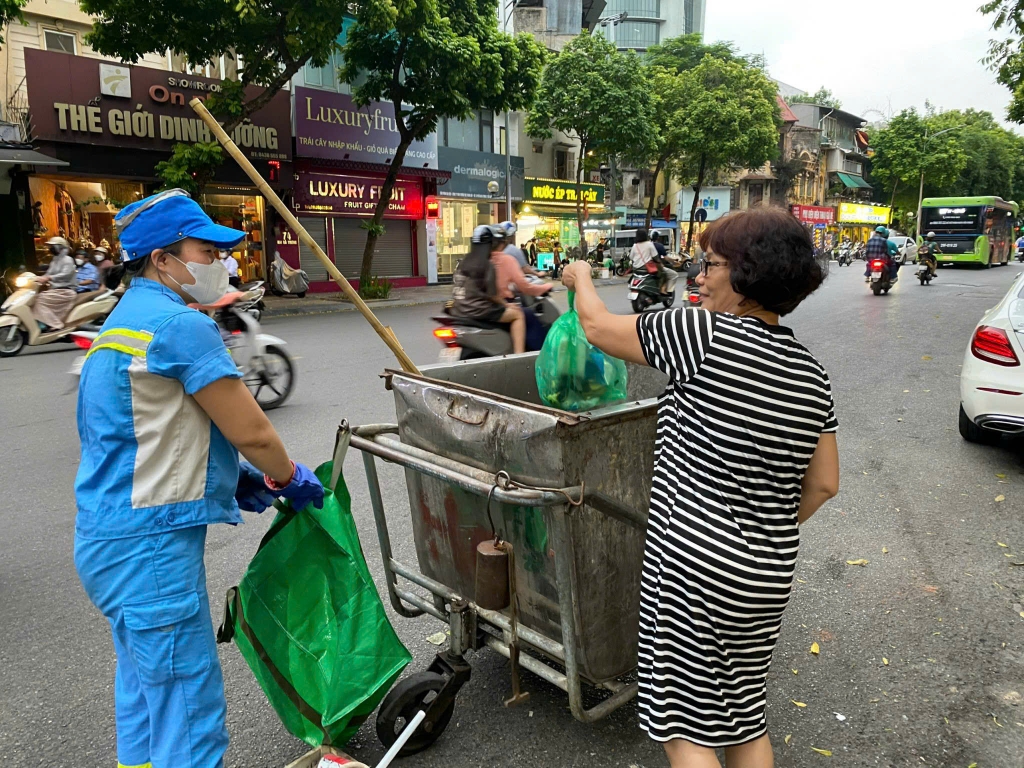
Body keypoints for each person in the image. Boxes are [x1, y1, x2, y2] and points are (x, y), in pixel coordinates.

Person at [560, 207, 839, 768]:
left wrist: (581, 279)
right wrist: (756, 529)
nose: (699, 276)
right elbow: (825, 484)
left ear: (745, 274)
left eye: (710, 265)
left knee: (684, 726)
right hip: (768, 572)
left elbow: (596, 328)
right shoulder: (811, 372)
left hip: (693, 565)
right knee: (741, 715)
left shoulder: (700, 332)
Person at [73, 188, 325, 768]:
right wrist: (286, 478)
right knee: (188, 710)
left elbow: (142, 434)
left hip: (107, 541)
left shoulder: (121, 325)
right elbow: (254, 432)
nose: (219, 262)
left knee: (145, 691)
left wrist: (231, 478)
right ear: (162, 258)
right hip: (149, 550)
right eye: (206, 250)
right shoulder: (178, 326)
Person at [450, 224, 528, 353]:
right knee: (518, 315)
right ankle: (519, 356)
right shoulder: (487, 265)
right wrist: (508, 306)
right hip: (479, 311)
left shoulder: (464, 263)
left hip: (459, 311)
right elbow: (493, 295)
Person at [33, 237, 78, 329]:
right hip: (56, 290)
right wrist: (38, 278)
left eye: (52, 246)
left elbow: (66, 274)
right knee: (35, 298)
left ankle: (55, 324)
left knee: (40, 299)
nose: (50, 249)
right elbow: (49, 272)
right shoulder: (55, 260)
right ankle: (43, 321)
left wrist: (49, 278)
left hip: (66, 291)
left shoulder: (68, 259)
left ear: (60, 247)